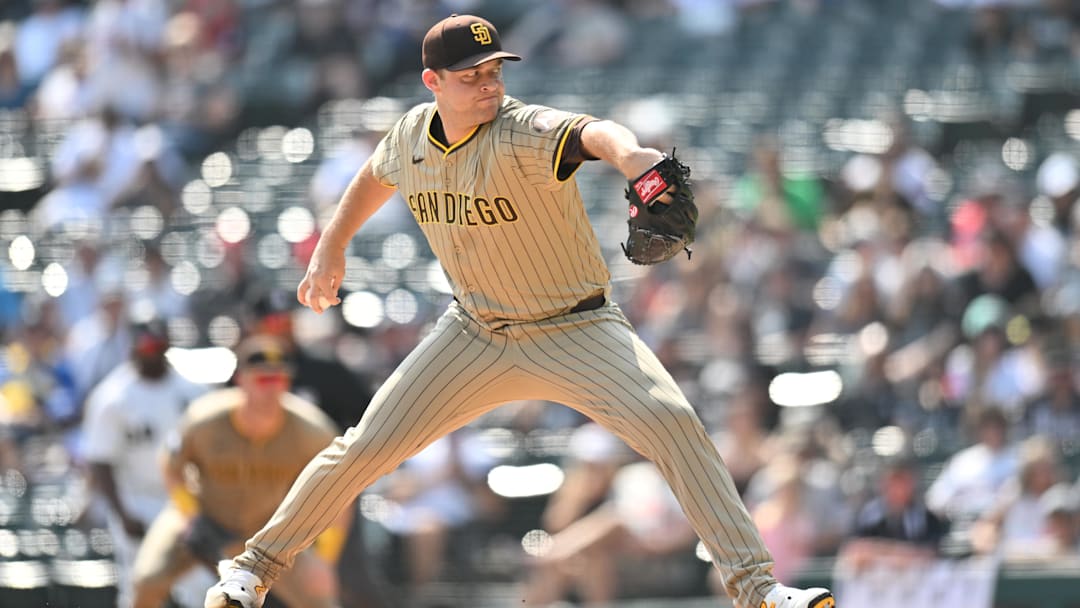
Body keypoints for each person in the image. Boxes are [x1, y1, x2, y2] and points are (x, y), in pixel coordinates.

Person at [205, 14, 835, 608]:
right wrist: (330, 249)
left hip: (578, 328)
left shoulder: (522, 130)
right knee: (364, 448)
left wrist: (635, 158)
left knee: (673, 424)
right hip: (474, 332)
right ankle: (252, 573)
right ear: (433, 83)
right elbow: (375, 174)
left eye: (494, 70)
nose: (488, 84)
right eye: (471, 75)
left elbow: (592, 132)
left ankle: (758, 590)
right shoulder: (409, 136)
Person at [134, 335, 346, 608]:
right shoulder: (206, 418)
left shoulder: (312, 431)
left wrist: (325, 557)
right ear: (241, 380)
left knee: (322, 602)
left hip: (269, 533)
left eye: (279, 379)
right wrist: (190, 514)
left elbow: (340, 492)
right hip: (205, 517)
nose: (272, 389)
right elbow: (170, 464)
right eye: (263, 380)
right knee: (146, 581)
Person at [82, 319, 210, 607]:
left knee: (200, 585)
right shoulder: (113, 397)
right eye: (146, 346)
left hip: (185, 501)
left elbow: (213, 452)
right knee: (140, 586)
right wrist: (122, 512)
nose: (152, 352)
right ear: (133, 349)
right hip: (138, 499)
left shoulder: (193, 391)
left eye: (157, 345)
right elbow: (100, 462)